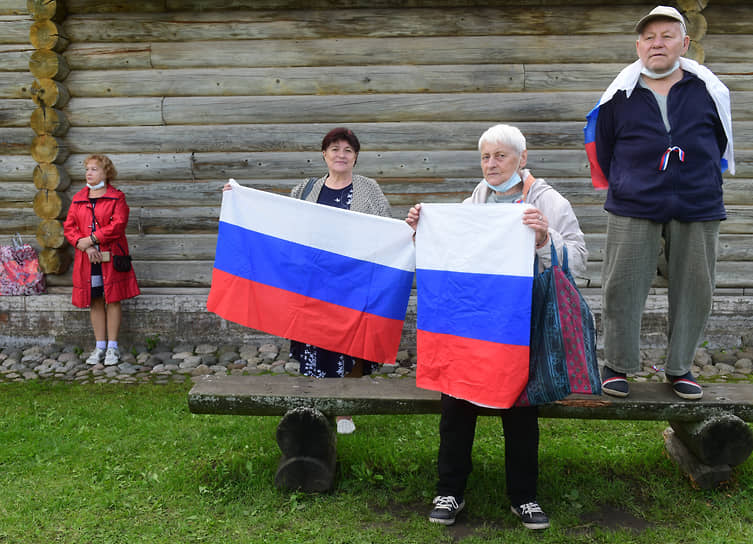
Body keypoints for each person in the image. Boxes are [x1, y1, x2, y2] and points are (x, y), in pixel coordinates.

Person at [405, 124, 587, 530]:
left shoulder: (549, 201)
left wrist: (543, 238)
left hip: (521, 323)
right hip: (473, 322)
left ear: (522, 159)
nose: (491, 164)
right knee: (456, 404)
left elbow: (578, 258)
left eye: (500, 155)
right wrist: (424, 228)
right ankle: (449, 490)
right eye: (486, 156)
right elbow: (456, 252)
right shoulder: (476, 199)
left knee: (520, 410)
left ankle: (524, 497)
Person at [589, 6, 735, 400]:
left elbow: (717, 143)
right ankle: (617, 365)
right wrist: (634, 179)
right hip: (633, 202)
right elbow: (604, 148)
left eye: (667, 35)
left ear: (684, 44)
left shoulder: (707, 90)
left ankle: (680, 367)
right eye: (649, 37)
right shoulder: (620, 96)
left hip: (698, 202)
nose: (658, 43)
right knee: (622, 285)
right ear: (638, 46)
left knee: (694, 288)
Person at [224, 127, 392, 434]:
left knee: (351, 345)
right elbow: (283, 222)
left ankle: (345, 408)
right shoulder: (306, 188)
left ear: (356, 157)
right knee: (315, 343)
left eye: (348, 150)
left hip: (352, 282)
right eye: (335, 149)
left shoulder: (369, 189)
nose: (341, 155)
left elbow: (386, 227)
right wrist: (239, 199)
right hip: (312, 284)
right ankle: (316, 400)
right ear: (324, 154)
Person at [63, 155, 140, 366]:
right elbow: (69, 227)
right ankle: (99, 347)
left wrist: (94, 238)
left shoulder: (117, 197)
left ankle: (113, 348)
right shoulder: (78, 198)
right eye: (87, 169)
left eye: (94, 169)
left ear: (106, 172)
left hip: (112, 257)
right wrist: (85, 245)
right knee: (95, 299)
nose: (89, 172)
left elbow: (119, 224)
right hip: (87, 260)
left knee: (113, 298)